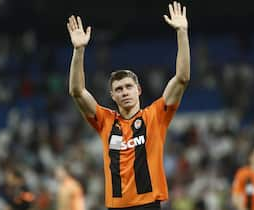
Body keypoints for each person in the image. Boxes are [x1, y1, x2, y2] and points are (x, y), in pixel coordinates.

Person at [66, 1, 190, 209]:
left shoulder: (155, 115)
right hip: (116, 206)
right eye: (119, 89)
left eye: (128, 87)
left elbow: (182, 78)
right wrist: (78, 51)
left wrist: (182, 32)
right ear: (112, 96)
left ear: (138, 90)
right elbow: (77, 92)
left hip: (148, 204)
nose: (124, 92)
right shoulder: (105, 121)